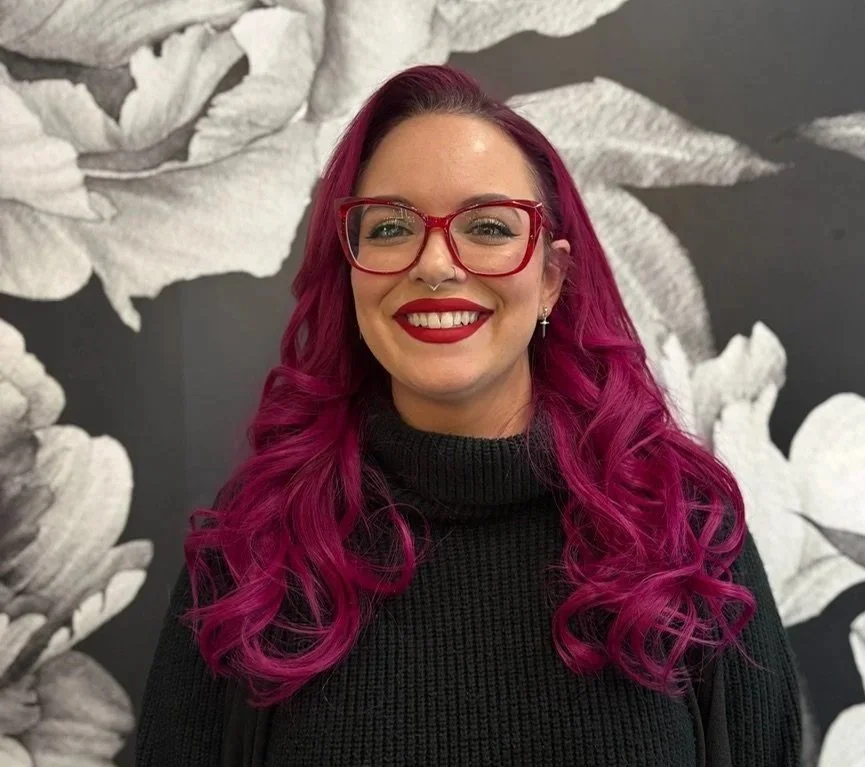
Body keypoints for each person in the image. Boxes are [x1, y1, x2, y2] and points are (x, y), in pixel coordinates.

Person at [135, 64, 801, 766]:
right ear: (351, 271)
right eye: (390, 227)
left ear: (550, 279)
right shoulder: (252, 554)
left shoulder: (685, 532)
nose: (434, 264)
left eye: (486, 226)